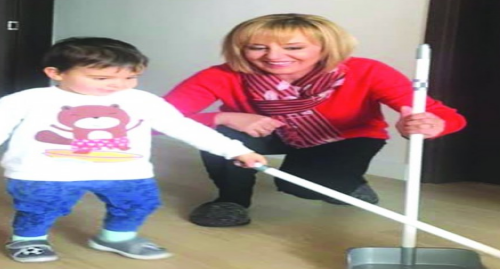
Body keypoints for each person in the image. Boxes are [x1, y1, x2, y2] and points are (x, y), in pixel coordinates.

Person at [0, 37, 266, 263]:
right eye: (101, 78)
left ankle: (116, 237)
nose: (117, 86)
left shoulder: (141, 101)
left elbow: (183, 126)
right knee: (41, 206)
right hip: (44, 171)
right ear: (55, 73)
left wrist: (233, 150)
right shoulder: (27, 100)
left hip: (126, 170)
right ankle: (29, 239)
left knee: (138, 202)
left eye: (129, 77)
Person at [163, 14, 466, 227]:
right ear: (241, 49)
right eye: (258, 47)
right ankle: (231, 200)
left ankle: (350, 184)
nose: (273, 56)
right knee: (221, 134)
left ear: (325, 48)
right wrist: (224, 116)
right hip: (269, 133)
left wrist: (427, 125)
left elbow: (446, 117)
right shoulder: (221, 75)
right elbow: (154, 118)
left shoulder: (368, 71)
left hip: (344, 137)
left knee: (303, 187)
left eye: (294, 48)